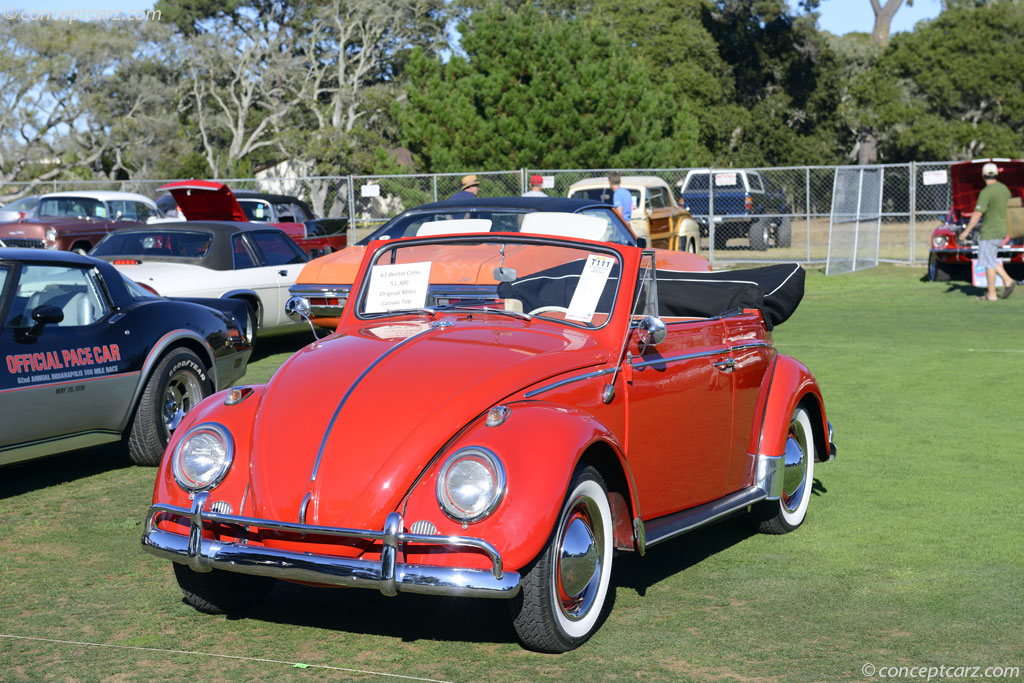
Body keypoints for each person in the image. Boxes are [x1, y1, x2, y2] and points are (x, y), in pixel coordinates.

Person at [959, 162, 1015, 300]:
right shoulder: (1004, 189)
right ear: (997, 173)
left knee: (988, 263)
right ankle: (1007, 280)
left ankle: (992, 294)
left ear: (983, 175)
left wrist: (966, 232)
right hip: (1002, 230)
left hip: (990, 232)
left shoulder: (986, 192)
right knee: (989, 259)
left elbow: (978, 214)